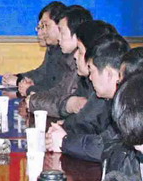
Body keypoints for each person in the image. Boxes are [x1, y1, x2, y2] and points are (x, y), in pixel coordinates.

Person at [46, 33, 130, 163]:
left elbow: (107, 146)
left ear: (108, 73)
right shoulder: (108, 98)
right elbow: (88, 126)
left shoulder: (129, 103)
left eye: (92, 70)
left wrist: (65, 142)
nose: (90, 78)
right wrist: (62, 132)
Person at [28, 5, 92, 117]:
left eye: (62, 33)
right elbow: (59, 91)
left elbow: (64, 100)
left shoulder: (82, 65)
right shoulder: (68, 59)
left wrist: (33, 97)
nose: (59, 38)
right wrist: (33, 98)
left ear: (77, 35)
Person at [4, 1, 72, 97]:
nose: (41, 33)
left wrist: (25, 85)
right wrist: (20, 78)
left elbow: (57, 90)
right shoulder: (53, 48)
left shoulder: (68, 52)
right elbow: (42, 73)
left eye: (46, 26)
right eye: (40, 27)